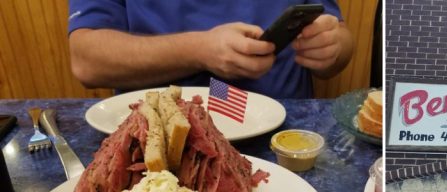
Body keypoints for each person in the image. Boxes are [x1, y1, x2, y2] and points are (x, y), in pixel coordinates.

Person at [67, 1, 355, 99]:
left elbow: (340, 40)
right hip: (163, 138)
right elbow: (87, 60)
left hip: (285, 134)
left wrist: (334, 47)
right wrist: (198, 50)